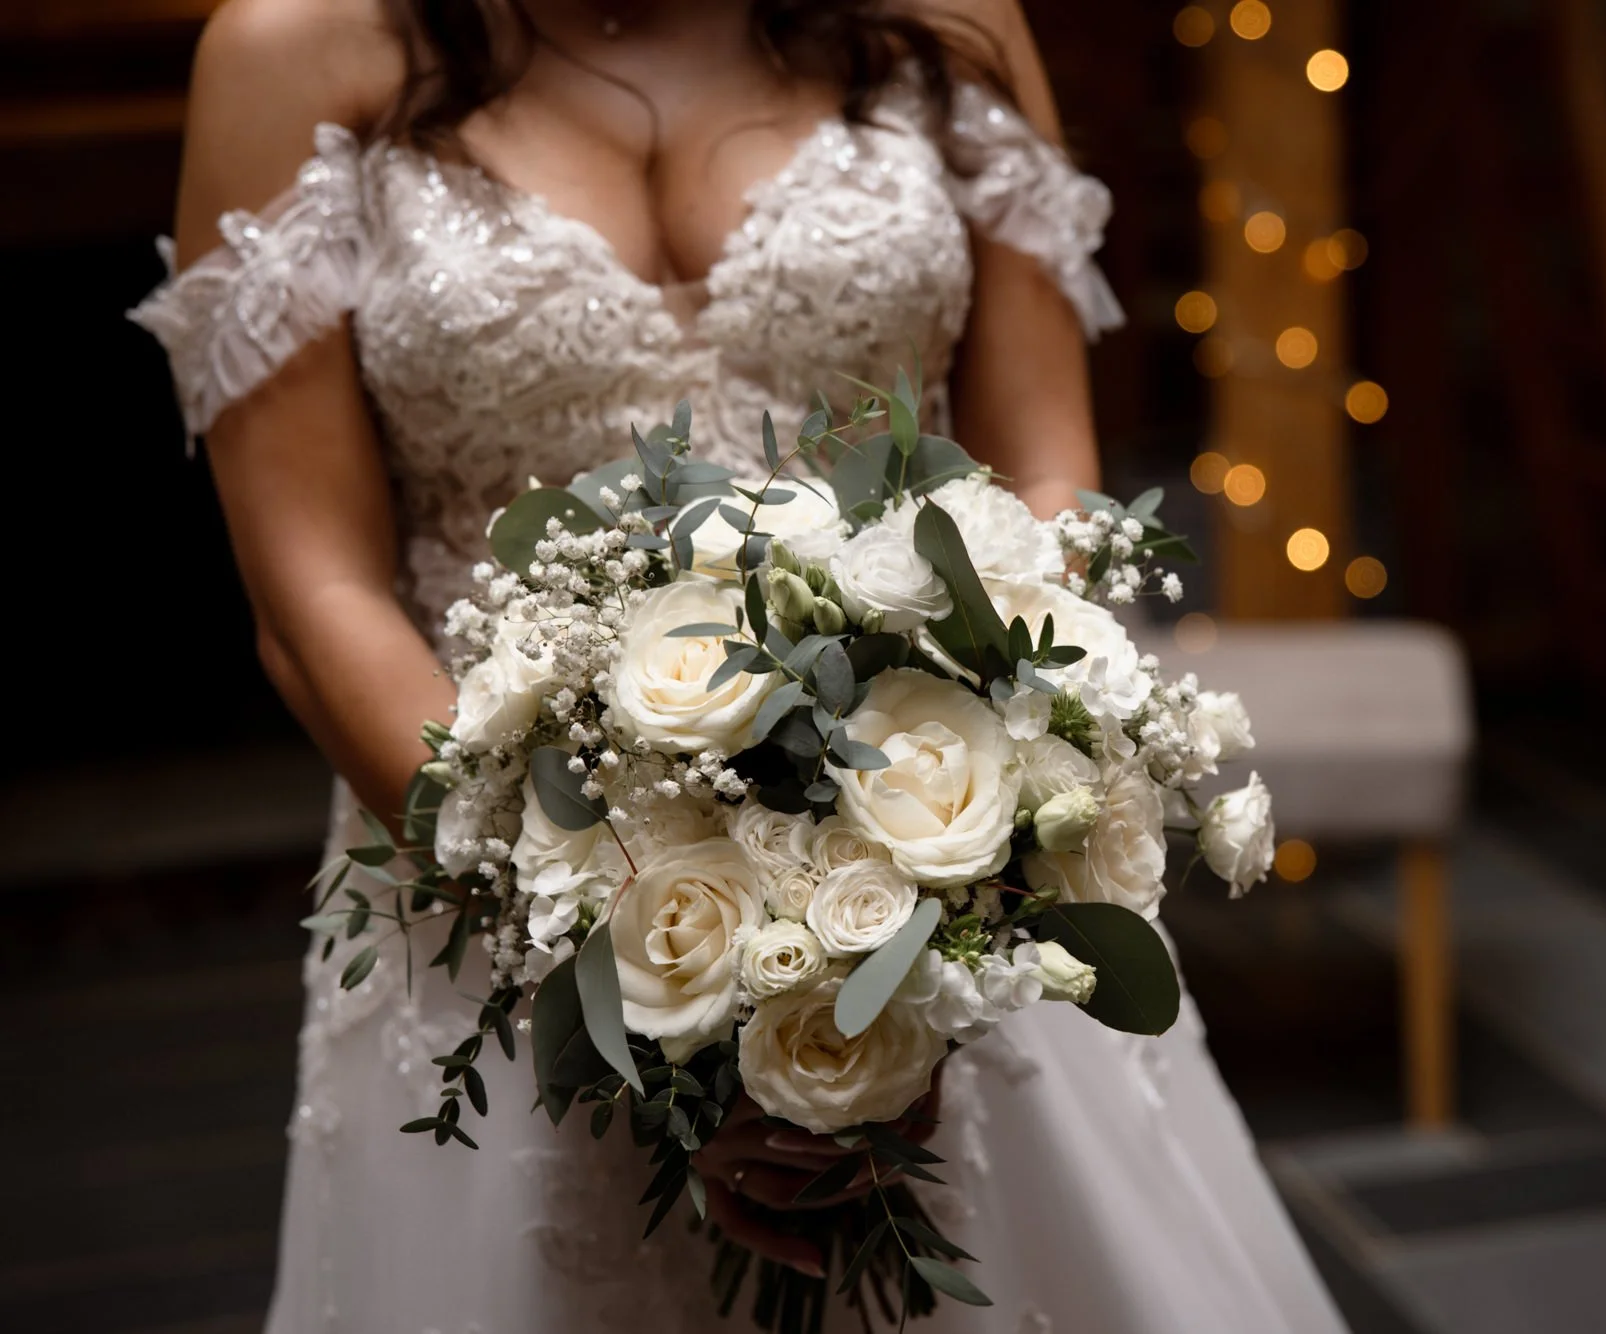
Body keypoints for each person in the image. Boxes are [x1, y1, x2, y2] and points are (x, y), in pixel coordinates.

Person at [133, 1, 1347, 1329]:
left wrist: (960, 887)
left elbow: (1044, 469)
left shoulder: (946, 22)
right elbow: (318, 596)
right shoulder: (296, 54)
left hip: (928, 842)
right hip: (491, 873)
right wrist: (641, 981)